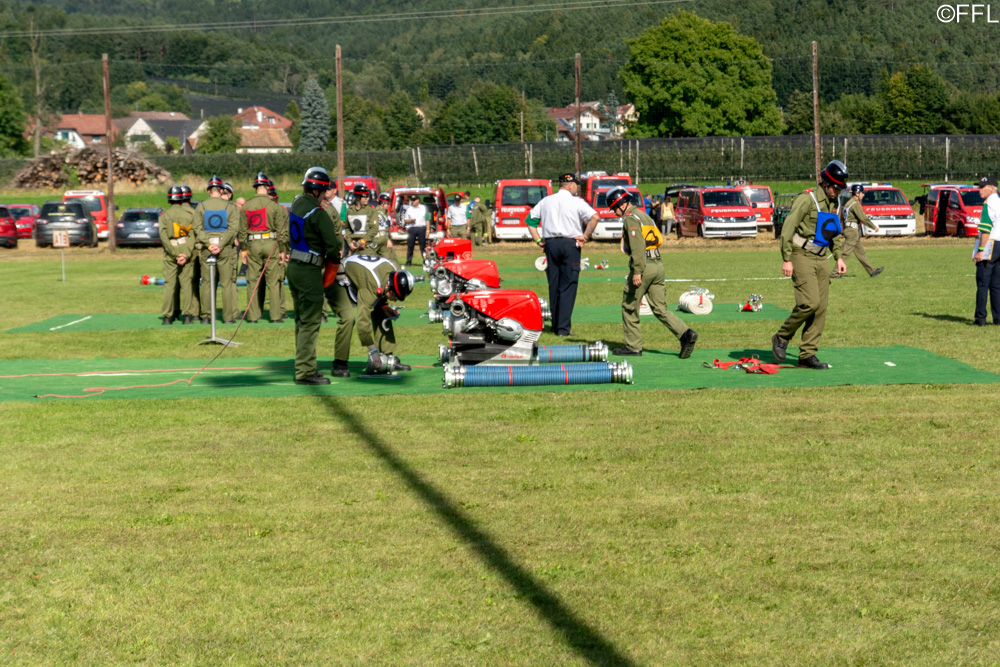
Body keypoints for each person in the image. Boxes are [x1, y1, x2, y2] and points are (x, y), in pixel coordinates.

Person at [771, 160, 848, 369]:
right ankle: (782, 336)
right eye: (836, 187)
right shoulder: (807, 199)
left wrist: (839, 257)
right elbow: (788, 227)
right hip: (801, 254)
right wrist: (787, 258)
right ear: (826, 184)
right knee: (810, 303)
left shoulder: (834, 203)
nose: (838, 191)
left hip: (821, 257)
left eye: (840, 188)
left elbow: (833, 232)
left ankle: (807, 354)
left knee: (821, 308)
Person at [606, 186, 697, 358]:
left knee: (629, 306)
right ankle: (686, 334)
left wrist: (637, 271)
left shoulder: (630, 218)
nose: (614, 212)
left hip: (644, 266)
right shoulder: (645, 216)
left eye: (614, 208)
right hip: (657, 264)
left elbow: (637, 246)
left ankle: (633, 346)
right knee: (660, 308)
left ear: (621, 204)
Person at [286, 166, 343, 385]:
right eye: (325, 191)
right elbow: (333, 245)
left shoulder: (297, 204)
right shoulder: (318, 213)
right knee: (310, 322)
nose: (326, 195)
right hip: (309, 270)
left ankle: (305, 365)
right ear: (317, 191)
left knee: (301, 321)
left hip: (294, 266)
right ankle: (305, 371)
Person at [526, 172, 600, 336]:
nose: (577, 188)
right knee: (568, 285)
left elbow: (530, 221)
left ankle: (555, 325)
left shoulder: (546, 201)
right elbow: (594, 217)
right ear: (571, 185)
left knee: (554, 284)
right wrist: (585, 236)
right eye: (576, 186)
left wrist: (539, 241)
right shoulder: (576, 201)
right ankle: (563, 328)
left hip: (551, 244)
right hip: (570, 244)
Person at [330, 254, 415, 377]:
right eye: (394, 296)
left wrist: (384, 306)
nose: (395, 300)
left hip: (365, 277)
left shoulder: (392, 272)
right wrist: (373, 352)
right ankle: (339, 363)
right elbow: (362, 325)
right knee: (348, 318)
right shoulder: (370, 287)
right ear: (388, 287)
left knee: (382, 312)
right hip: (338, 278)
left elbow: (382, 286)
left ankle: (388, 357)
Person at [238, 172, 289, 323]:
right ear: (267, 187)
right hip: (271, 244)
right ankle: (275, 316)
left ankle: (253, 316)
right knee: (273, 281)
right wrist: (282, 250)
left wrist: (244, 249)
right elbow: (281, 231)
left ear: (255, 187)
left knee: (252, 281)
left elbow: (242, 231)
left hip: (253, 244)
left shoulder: (246, 206)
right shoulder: (274, 206)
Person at [192, 174, 241, 324]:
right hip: (225, 248)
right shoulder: (230, 207)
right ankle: (228, 317)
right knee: (227, 284)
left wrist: (208, 244)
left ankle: (206, 316)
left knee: (207, 283)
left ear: (208, 191)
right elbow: (233, 229)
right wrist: (220, 245)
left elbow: (197, 228)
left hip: (207, 249)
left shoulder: (201, 206)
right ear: (221, 190)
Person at [158, 185, 197, 325]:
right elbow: (193, 236)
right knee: (186, 285)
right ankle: (187, 316)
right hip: (186, 249)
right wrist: (185, 254)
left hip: (171, 251)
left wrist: (174, 253)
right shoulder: (190, 215)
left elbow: (163, 237)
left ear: (169, 200)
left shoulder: (164, 215)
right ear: (182, 199)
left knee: (170, 285)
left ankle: (167, 317)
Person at [832, 184, 883, 279]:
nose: (863, 194)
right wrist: (873, 227)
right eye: (862, 193)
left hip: (850, 230)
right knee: (846, 252)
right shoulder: (855, 204)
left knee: (861, 253)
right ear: (857, 193)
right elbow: (863, 217)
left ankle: (872, 271)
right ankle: (835, 273)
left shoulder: (848, 203)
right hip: (852, 231)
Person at [973, 176, 1000, 325]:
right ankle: (998, 318)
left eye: (982, 187)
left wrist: (981, 250)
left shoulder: (988, 203)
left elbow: (985, 229)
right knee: (996, 284)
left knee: (983, 283)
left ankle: (980, 318)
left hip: (991, 244)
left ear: (992, 188)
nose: (979, 190)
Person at [362, 192, 398, 262]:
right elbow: (380, 229)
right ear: (382, 204)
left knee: (389, 258)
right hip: (377, 239)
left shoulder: (385, 213)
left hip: (382, 238)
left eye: (389, 204)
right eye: (387, 204)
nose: (389, 205)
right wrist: (387, 240)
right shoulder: (377, 213)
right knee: (371, 258)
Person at [342, 183, 376, 256]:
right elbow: (347, 228)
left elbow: (374, 229)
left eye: (368, 196)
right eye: (365, 197)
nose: (368, 198)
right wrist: (349, 243)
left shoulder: (371, 210)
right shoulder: (350, 210)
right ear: (358, 198)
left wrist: (363, 240)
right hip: (354, 248)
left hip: (367, 248)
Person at [403, 194, 429, 266]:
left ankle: (425, 261)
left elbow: (427, 220)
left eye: (414, 200)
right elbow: (405, 220)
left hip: (421, 228)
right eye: (412, 200)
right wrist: (411, 220)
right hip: (412, 228)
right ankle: (408, 262)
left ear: (418, 200)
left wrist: (428, 230)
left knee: (423, 246)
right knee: (410, 245)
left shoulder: (423, 208)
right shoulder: (409, 209)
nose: (413, 201)